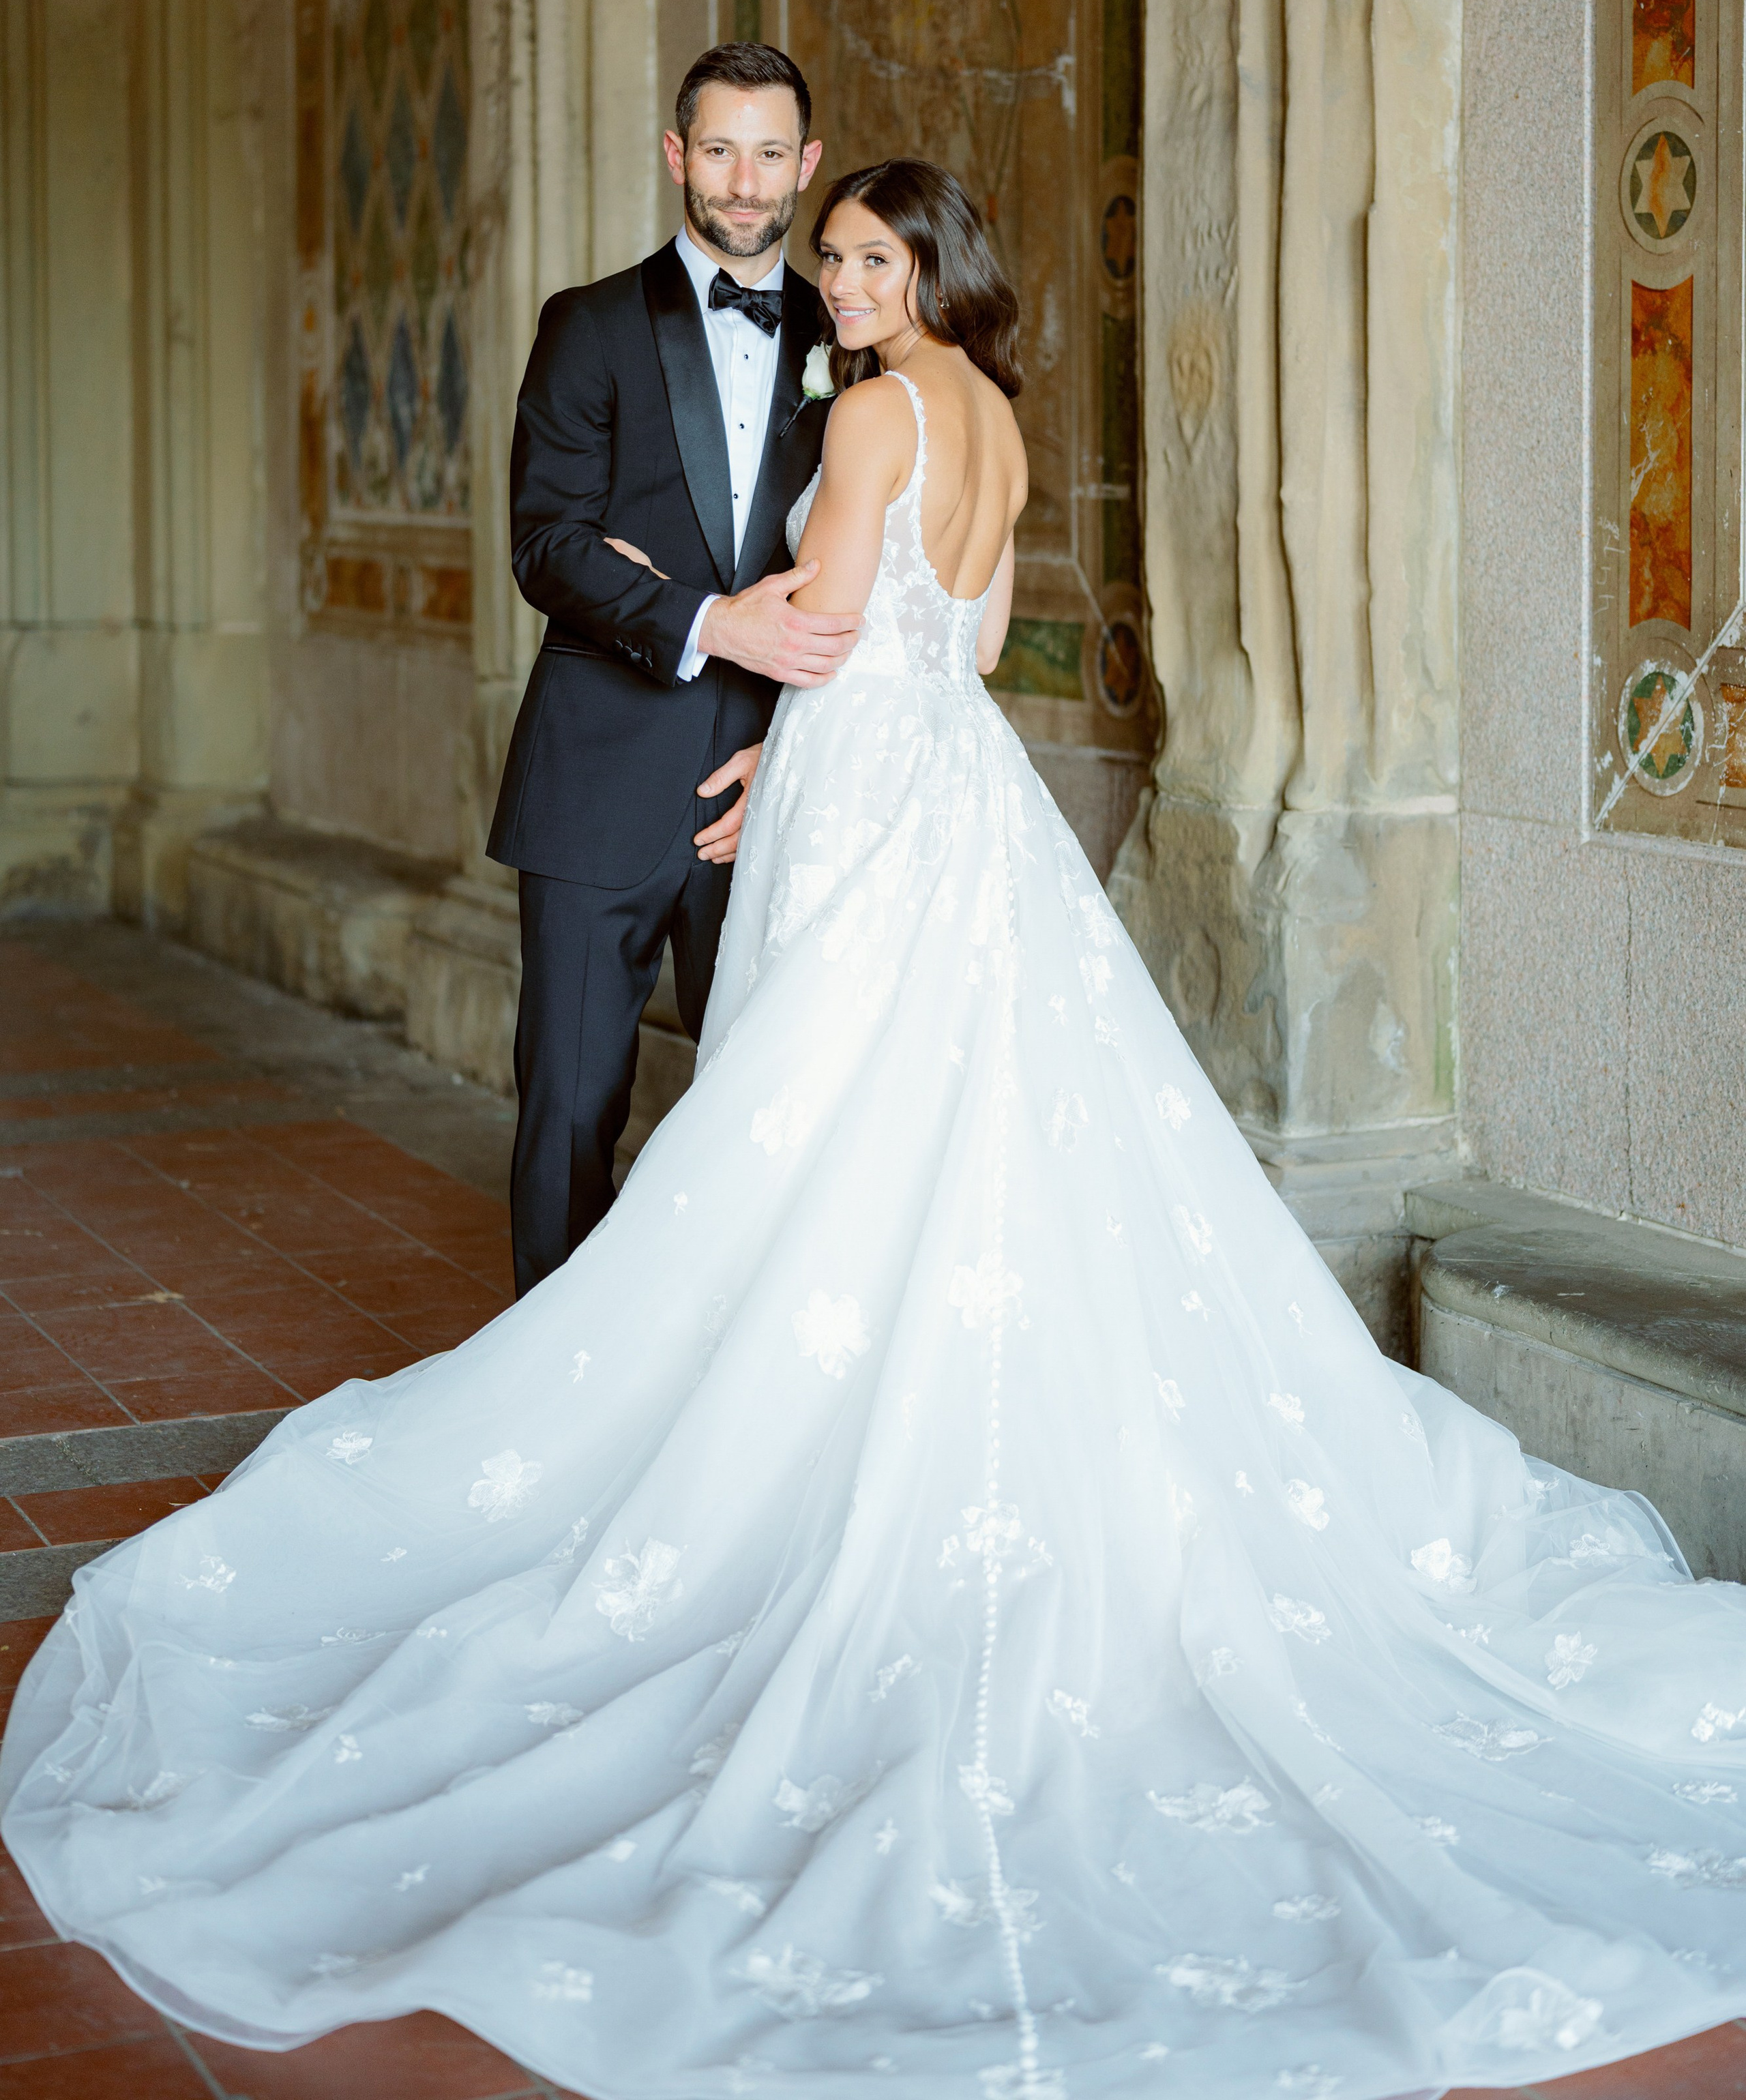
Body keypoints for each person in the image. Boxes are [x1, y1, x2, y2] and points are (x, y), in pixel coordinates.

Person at [4, 162, 1746, 2100]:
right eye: (828, 252)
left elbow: (821, 627)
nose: (837, 277)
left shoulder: (865, 411)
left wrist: (750, 703)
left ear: (931, 273)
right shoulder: (997, 420)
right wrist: (783, 756)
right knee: (975, 1140)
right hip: (962, 818)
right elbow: (960, 656)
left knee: (813, 1138)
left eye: (867, 254)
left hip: (870, 820)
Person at [486, 41, 857, 1297]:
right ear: (674, 155)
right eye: (717, 150)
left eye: (770, 153)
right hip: (599, 782)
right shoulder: (588, 326)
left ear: (806, 163)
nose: (744, 185)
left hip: (775, 783)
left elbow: (876, 584)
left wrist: (803, 742)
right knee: (570, 1113)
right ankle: (544, 1399)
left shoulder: (848, 341)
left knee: (763, 1118)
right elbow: (546, 544)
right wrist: (708, 618)